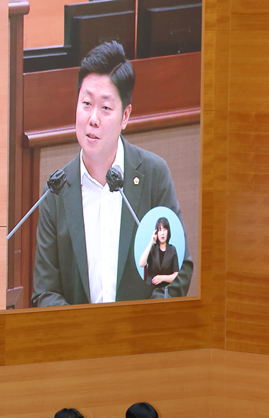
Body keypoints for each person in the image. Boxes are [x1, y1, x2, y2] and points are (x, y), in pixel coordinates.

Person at [31, 41, 193, 306]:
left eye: (105, 108)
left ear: (125, 116)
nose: (93, 119)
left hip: (140, 330)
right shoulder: (56, 191)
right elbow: (45, 292)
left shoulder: (153, 175)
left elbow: (176, 270)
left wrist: (141, 323)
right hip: (80, 332)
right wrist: (84, 328)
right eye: (86, 104)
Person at [138, 216, 179, 292]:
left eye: (165, 229)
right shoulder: (152, 248)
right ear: (156, 233)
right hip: (150, 290)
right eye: (160, 230)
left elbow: (176, 275)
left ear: (168, 231)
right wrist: (151, 243)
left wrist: (163, 278)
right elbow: (141, 263)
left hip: (166, 290)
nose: (162, 233)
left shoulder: (172, 249)